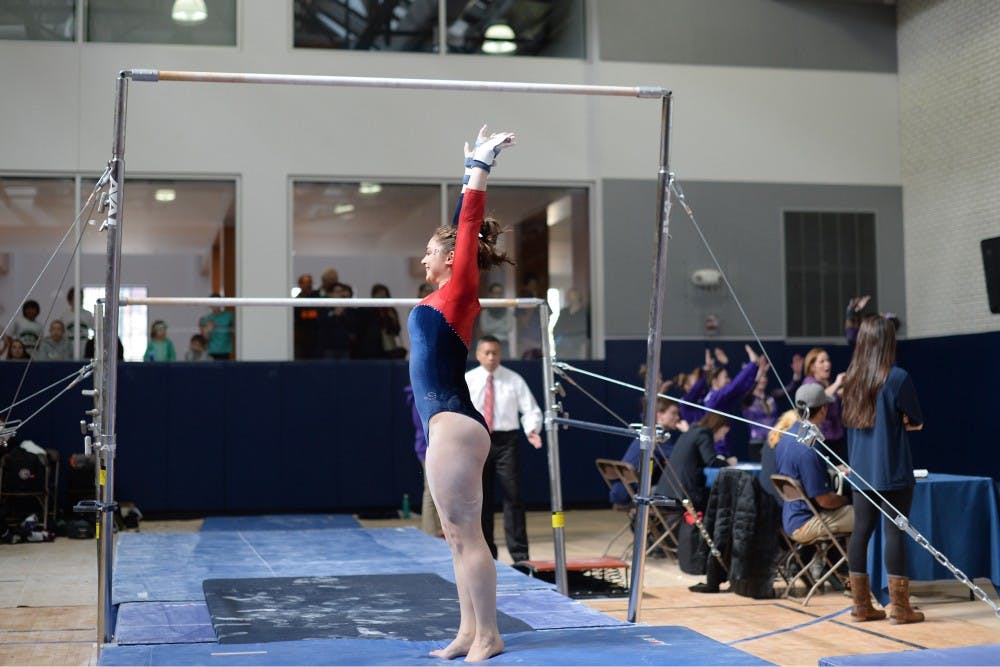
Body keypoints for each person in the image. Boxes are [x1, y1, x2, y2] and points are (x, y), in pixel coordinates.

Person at [406, 124, 515, 662]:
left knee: (468, 534)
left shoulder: (458, 292)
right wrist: (466, 167)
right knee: (454, 535)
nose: (423, 259)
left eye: (430, 252)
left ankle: (491, 634)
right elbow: (459, 228)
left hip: (454, 421)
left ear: (452, 259)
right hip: (445, 423)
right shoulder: (441, 297)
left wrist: (479, 169)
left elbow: (466, 224)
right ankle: (469, 631)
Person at [842, 315, 925, 624]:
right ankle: (901, 608)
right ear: (888, 342)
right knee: (894, 533)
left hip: (860, 472)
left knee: (861, 532)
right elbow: (916, 420)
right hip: (892, 470)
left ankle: (860, 605)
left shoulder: (851, 379)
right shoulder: (898, 377)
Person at [465, 334, 543, 564]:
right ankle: (486, 554)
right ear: (478, 355)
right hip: (478, 440)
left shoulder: (513, 380)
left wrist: (531, 429)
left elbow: (531, 409)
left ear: (500, 354)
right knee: (481, 499)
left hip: (506, 441)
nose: (491, 358)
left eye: (495, 353)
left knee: (513, 496)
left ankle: (520, 555)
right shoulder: (468, 380)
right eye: (486, 353)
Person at [773, 384, 853, 545]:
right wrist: (848, 500)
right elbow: (824, 501)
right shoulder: (809, 448)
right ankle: (861, 568)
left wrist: (832, 469)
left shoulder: (787, 437)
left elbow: (800, 469)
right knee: (865, 515)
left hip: (789, 517)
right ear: (823, 410)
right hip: (805, 522)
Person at [610, 396, 687, 507]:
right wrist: (688, 433)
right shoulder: (656, 437)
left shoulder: (646, 433)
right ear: (660, 415)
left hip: (619, 492)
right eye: (673, 413)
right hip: (632, 495)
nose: (677, 417)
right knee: (684, 497)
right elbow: (680, 457)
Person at [654, 412, 731, 513]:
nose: (722, 438)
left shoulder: (690, 433)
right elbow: (711, 461)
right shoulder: (703, 434)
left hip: (663, 493)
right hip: (680, 497)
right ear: (717, 427)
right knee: (720, 499)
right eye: (723, 433)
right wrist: (728, 463)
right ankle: (705, 528)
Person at [403, 384, 441, 538]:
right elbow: (423, 424)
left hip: (436, 446)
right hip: (428, 447)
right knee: (431, 491)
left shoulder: (431, 391)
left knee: (437, 491)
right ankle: (430, 533)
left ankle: (435, 529)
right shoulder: (423, 393)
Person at [801, 347, 847, 463]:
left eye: (828, 360)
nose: (827, 364)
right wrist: (837, 384)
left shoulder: (828, 382)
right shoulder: (809, 382)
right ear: (812, 367)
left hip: (837, 437)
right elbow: (818, 396)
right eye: (822, 361)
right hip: (821, 438)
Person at [476, 282, 514, 357]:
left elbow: (509, 328)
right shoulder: (485, 312)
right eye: (495, 293)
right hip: (489, 343)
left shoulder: (508, 312)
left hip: (504, 344)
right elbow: (485, 328)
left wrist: (492, 327)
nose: (498, 295)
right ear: (490, 294)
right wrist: (501, 323)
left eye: (500, 293)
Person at [552, 287, 589, 359]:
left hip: (577, 341)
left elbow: (584, 330)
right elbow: (556, 329)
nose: (571, 299)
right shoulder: (564, 312)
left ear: (578, 297)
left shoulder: (584, 312)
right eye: (569, 296)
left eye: (574, 296)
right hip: (562, 342)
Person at [60, 287, 94, 359]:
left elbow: (95, 329)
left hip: (84, 345)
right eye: (75, 298)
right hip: (69, 345)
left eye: (81, 298)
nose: (79, 300)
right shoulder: (64, 315)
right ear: (70, 300)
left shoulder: (88, 314)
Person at [199, 294, 234, 360]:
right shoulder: (206, 319)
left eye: (217, 302)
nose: (215, 305)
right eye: (212, 303)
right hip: (211, 351)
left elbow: (235, 332)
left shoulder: (229, 316)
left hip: (226, 350)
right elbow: (204, 339)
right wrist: (208, 329)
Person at [293, 273, 320, 359]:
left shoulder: (318, 298)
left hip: (316, 338)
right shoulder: (296, 300)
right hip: (301, 338)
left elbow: (321, 314)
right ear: (300, 284)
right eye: (305, 282)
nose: (308, 285)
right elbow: (298, 316)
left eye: (310, 282)